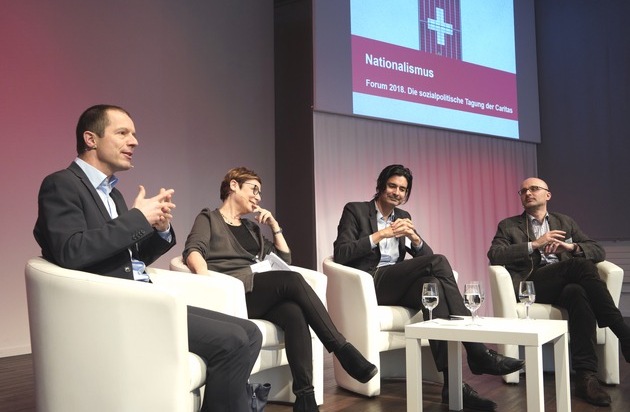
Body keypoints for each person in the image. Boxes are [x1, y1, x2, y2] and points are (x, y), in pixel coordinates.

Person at [33, 104, 263, 412]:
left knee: (250, 332)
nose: (134, 141)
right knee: (233, 340)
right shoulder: (61, 184)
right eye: (123, 133)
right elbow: (71, 251)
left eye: (134, 134)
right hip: (116, 308)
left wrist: (158, 228)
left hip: (145, 299)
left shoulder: (112, 194)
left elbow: (130, 256)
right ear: (91, 139)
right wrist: (137, 219)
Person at [183, 166, 378, 412]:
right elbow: (193, 251)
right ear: (233, 185)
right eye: (254, 189)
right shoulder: (208, 219)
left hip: (256, 290)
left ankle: (305, 398)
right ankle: (341, 348)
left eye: (260, 192)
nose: (258, 197)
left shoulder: (251, 228)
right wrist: (209, 282)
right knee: (293, 280)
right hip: (232, 289)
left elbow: (284, 258)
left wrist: (275, 226)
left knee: (293, 312)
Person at [333, 164, 525, 411]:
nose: (397, 192)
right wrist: (382, 234)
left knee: (432, 286)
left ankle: (453, 385)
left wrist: (415, 239)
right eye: (392, 186)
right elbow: (341, 253)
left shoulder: (403, 216)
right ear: (380, 186)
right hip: (369, 282)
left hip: (394, 283)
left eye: (403, 189)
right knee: (439, 262)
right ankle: (477, 351)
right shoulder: (356, 210)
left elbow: (429, 260)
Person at [488, 176, 630, 407]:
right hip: (532, 283)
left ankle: (586, 377)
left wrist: (571, 247)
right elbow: (495, 254)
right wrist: (535, 244)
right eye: (523, 191)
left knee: (577, 292)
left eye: (534, 188)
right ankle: (622, 331)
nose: (528, 193)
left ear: (548, 195)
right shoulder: (509, 225)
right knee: (580, 266)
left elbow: (598, 250)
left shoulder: (564, 222)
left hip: (563, 283)